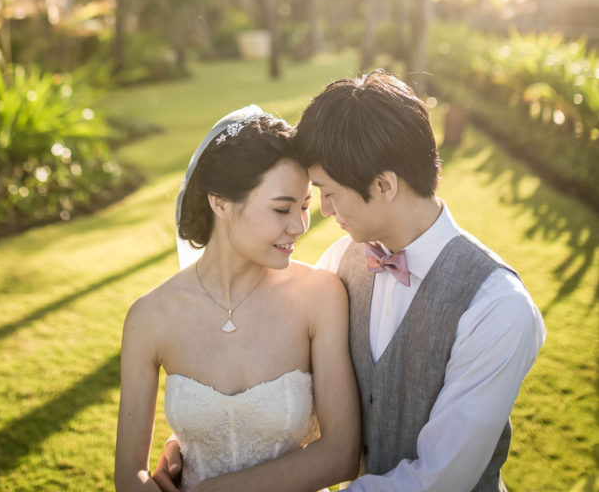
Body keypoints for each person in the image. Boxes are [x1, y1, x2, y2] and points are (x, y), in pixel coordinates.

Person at [157, 73, 546, 492]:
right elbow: (286, 393)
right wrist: (201, 440)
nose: (321, 211)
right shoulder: (339, 263)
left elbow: (441, 478)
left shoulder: (499, 307)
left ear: (384, 185)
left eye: (326, 192)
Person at [115, 105, 361, 492]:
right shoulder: (150, 317)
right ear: (221, 202)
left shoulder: (320, 297)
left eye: (304, 207)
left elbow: (341, 453)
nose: (298, 226)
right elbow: (130, 474)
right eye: (282, 208)